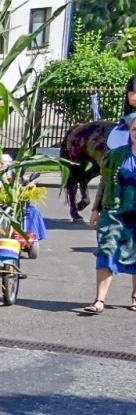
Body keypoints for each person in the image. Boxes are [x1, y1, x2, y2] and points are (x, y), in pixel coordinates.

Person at [79, 74, 136, 314]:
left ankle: (135, 298)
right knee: (106, 249)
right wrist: (96, 208)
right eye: (134, 128)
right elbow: (104, 180)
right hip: (114, 210)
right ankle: (99, 300)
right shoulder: (116, 153)